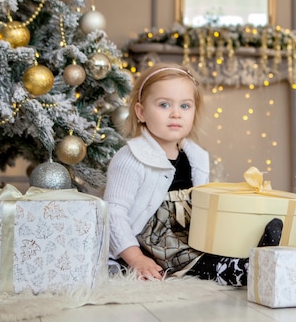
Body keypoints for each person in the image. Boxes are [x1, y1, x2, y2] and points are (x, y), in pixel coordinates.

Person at [104, 62, 282, 286]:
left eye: (185, 106)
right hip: (150, 239)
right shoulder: (131, 157)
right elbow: (114, 213)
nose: (176, 114)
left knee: (215, 241)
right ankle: (239, 271)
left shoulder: (195, 157)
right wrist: (136, 258)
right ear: (141, 112)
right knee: (183, 255)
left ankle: (251, 257)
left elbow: (202, 206)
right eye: (164, 105)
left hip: (188, 230)